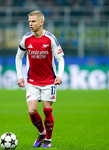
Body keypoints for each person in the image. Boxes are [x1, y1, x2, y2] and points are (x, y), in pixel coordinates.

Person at [15, 10, 64, 148]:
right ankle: (42, 133)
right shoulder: (26, 39)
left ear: (41, 22)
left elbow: (60, 59)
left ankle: (48, 139)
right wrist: (20, 76)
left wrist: (59, 75)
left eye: (33, 21)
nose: (30, 24)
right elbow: (18, 57)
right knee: (32, 111)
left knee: (47, 110)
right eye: (29, 21)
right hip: (32, 81)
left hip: (49, 80)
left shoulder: (50, 38)